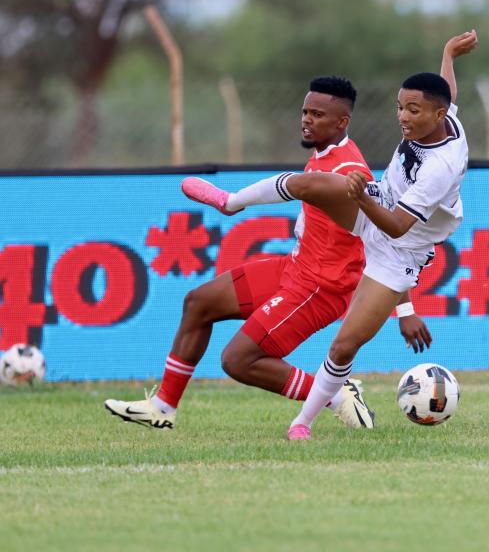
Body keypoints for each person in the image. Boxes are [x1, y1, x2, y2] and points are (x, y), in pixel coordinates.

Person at [184, 30, 478, 440]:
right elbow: (447, 90)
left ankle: (301, 423)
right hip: (375, 205)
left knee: (343, 348)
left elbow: (396, 227)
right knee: (313, 184)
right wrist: (449, 53)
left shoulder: (440, 168)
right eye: (400, 107)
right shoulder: (447, 120)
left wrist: (361, 198)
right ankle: (231, 202)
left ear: (437, 113)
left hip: (398, 249)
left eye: (414, 110)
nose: (403, 117)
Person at [105, 76, 431, 430]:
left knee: (237, 361)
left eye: (318, 115)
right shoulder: (324, 156)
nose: (306, 120)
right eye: (305, 111)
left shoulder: (350, 174)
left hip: (319, 289)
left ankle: (337, 394)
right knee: (199, 302)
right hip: (294, 268)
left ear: (342, 123)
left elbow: (388, 244)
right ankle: (163, 408)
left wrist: (405, 309)